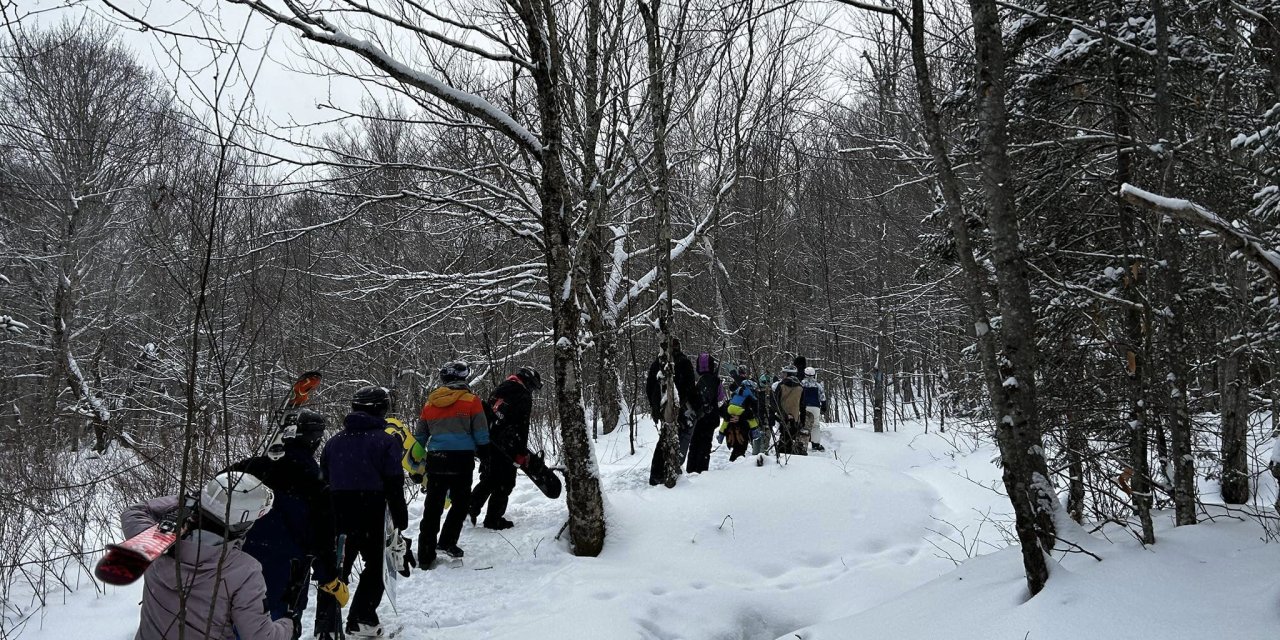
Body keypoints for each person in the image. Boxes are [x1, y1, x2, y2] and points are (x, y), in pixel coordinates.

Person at [124, 472, 294, 640]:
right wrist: (288, 625)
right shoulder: (244, 571)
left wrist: (187, 500)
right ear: (242, 524)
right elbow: (260, 636)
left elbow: (135, 512)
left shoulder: (156, 543)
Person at [226, 409, 339, 639]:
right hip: (286, 576)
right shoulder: (315, 481)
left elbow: (214, 496)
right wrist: (328, 577)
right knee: (279, 627)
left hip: (239, 569)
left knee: (239, 624)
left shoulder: (250, 468)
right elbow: (323, 537)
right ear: (314, 439)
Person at [320, 386, 408, 638]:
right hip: (373, 511)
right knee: (378, 565)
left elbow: (323, 481)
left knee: (337, 567)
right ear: (380, 409)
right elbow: (394, 484)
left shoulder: (333, 442)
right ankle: (361, 619)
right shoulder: (386, 441)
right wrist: (400, 521)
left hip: (338, 510)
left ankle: (325, 624)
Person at [415, 360, 490, 567]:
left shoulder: (430, 403)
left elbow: (420, 436)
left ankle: (425, 554)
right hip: (461, 460)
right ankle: (447, 541)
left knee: (433, 507)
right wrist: (485, 455)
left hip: (436, 460)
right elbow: (481, 433)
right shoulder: (472, 401)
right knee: (460, 503)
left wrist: (417, 462)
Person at [470, 366, 542, 530]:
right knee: (506, 482)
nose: (531, 391)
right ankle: (493, 519)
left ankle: (470, 509)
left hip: (488, 441)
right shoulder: (522, 395)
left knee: (489, 479)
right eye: (532, 387)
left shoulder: (501, 388)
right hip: (507, 445)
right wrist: (521, 452)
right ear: (528, 382)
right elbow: (522, 426)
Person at [645, 338, 698, 485]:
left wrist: (655, 407)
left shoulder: (658, 363)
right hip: (678, 408)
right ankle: (668, 473)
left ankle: (658, 475)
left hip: (664, 409)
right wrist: (694, 407)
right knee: (675, 440)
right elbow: (690, 388)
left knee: (665, 439)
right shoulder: (682, 362)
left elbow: (649, 387)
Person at [686, 353, 725, 473]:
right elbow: (720, 397)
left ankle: (691, 469)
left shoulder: (696, 380)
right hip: (710, 417)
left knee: (694, 444)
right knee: (705, 445)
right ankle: (702, 470)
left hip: (698, 417)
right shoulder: (715, 380)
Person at [717, 379, 759, 462]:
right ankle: (736, 467)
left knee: (737, 448)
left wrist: (730, 416)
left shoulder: (735, 395)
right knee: (740, 449)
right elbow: (752, 414)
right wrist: (737, 417)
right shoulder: (751, 397)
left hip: (731, 428)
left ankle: (720, 436)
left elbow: (721, 411)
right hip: (742, 428)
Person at [774, 365, 806, 456]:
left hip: (782, 415)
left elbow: (775, 402)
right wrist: (802, 420)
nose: (783, 375)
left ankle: (783, 453)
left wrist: (782, 414)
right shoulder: (800, 387)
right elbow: (802, 405)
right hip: (795, 416)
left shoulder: (781, 385)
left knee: (784, 436)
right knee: (791, 435)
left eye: (784, 373)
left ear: (788, 374)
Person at [801, 366, 827, 452]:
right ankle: (815, 444)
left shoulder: (801, 384)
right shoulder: (818, 385)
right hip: (815, 407)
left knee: (803, 425)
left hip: (804, 407)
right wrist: (824, 406)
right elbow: (822, 397)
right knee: (815, 426)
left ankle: (802, 443)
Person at [752, 373, 774, 458]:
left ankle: (761, 456)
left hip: (764, 420)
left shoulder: (770, 394)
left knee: (762, 440)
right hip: (759, 419)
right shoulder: (757, 393)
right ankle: (758, 456)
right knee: (758, 440)